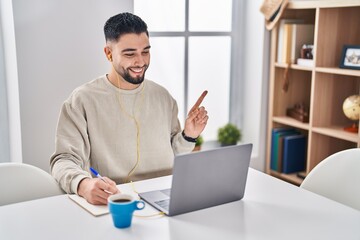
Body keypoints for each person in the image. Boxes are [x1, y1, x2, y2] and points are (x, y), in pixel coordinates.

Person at [50, 12, 208, 205]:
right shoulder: (82, 100)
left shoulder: (163, 97)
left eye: (145, 52)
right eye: (130, 54)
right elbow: (63, 160)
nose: (140, 62)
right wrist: (83, 184)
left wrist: (188, 135)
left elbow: (175, 153)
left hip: (168, 201)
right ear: (109, 53)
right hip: (117, 202)